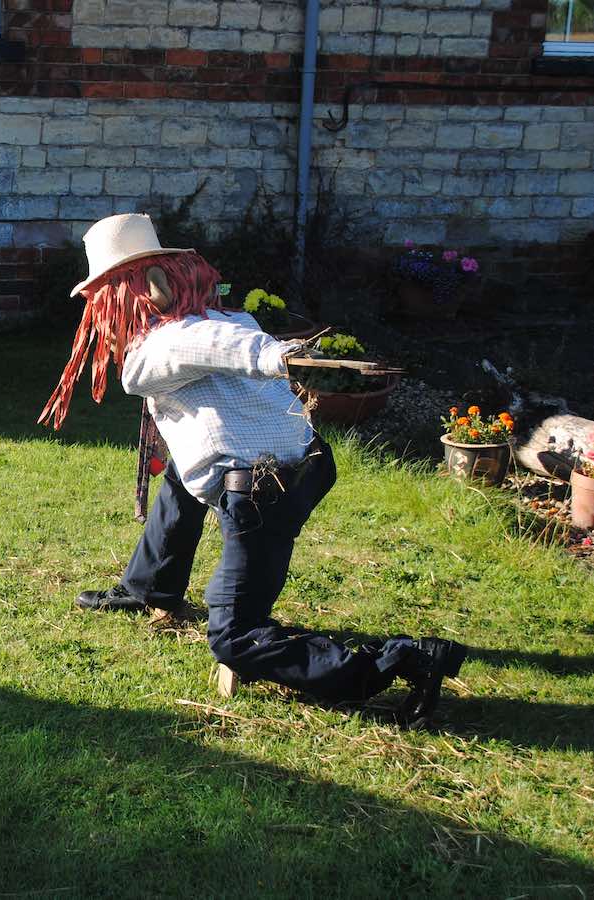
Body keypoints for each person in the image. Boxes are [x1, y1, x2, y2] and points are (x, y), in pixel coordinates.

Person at [39, 213, 466, 729]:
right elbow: (219, 340)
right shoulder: (234, 317)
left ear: (129, 294)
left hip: (265, 492)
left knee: (236, 636)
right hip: (307, 462)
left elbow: (208, 346)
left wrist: (281, 357)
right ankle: (149, 586)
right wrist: (272, 352)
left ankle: (404, 661)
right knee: (182, 478)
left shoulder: (158, 347)